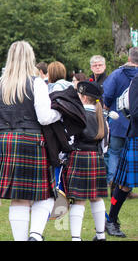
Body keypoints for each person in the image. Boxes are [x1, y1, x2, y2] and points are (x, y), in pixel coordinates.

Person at [0, 41, 62, 241]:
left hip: (3, 140)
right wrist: (59, 113)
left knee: (18, 197)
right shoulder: (36, 83)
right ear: (30, 58)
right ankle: (35, 235)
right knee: (46, 194)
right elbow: (43, 117)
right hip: (30, 140)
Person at [62, 80, 108, 241]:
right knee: (96, 198)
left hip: (79, 156)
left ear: (83, 97)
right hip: (96, 157)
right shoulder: (102, 116)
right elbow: (105, 145)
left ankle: (76, 238)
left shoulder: (77, 117)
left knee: (78, 200)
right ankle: (101, 236)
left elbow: (69, 140)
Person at [102, 47, 138, 197]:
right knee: (130, 157)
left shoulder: (116, 74)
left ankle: (114, 185)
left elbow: (107, 96)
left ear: (129, 58)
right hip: (135, 123)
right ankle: (126, 187)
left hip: (117, 121)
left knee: (115, 154)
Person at [106, 73, 138, 238]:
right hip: (137, 136)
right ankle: (111, 219)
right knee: (125, 185)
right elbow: (135, 111)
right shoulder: (136, 81)